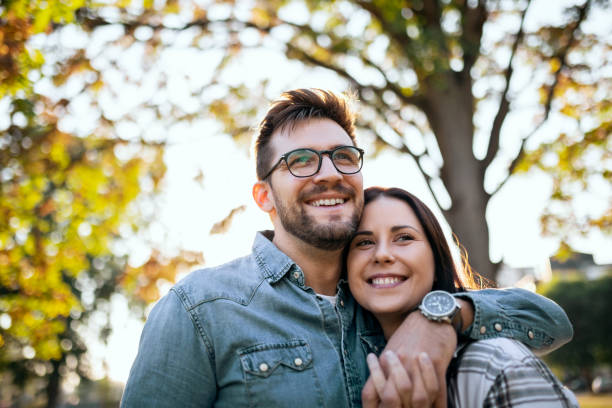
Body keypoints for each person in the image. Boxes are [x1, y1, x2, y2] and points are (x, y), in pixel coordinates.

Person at [121, 89, 573, 407]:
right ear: (265, 198)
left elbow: (550, 322)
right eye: (300, 161)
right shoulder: (201, 308)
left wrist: (441, 315)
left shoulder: (384, 301)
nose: (328, 173)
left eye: (343, 156)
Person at [347, 186, 578, 407]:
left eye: (404, 237)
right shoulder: (343, 362)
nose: (382, 254)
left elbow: (556, 321)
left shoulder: (496, 363)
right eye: (364, 242)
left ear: (436, 262)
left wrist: (437, 316)